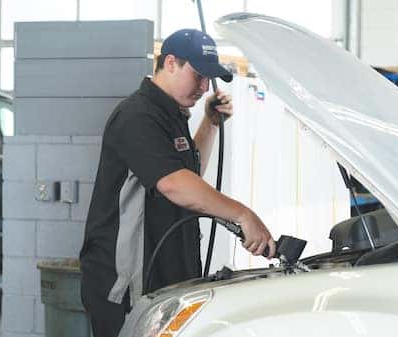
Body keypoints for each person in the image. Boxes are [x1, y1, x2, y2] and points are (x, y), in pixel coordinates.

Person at [79, 28, 276, 337]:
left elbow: (187, 171)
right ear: (170, 63)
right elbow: (173, 183)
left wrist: (210, 124)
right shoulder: (137, 116)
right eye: (198, 75)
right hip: (129, 283)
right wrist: (242, 214)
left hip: (167, 272)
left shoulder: (172, 115)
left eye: (209, 79)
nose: (204, 87)